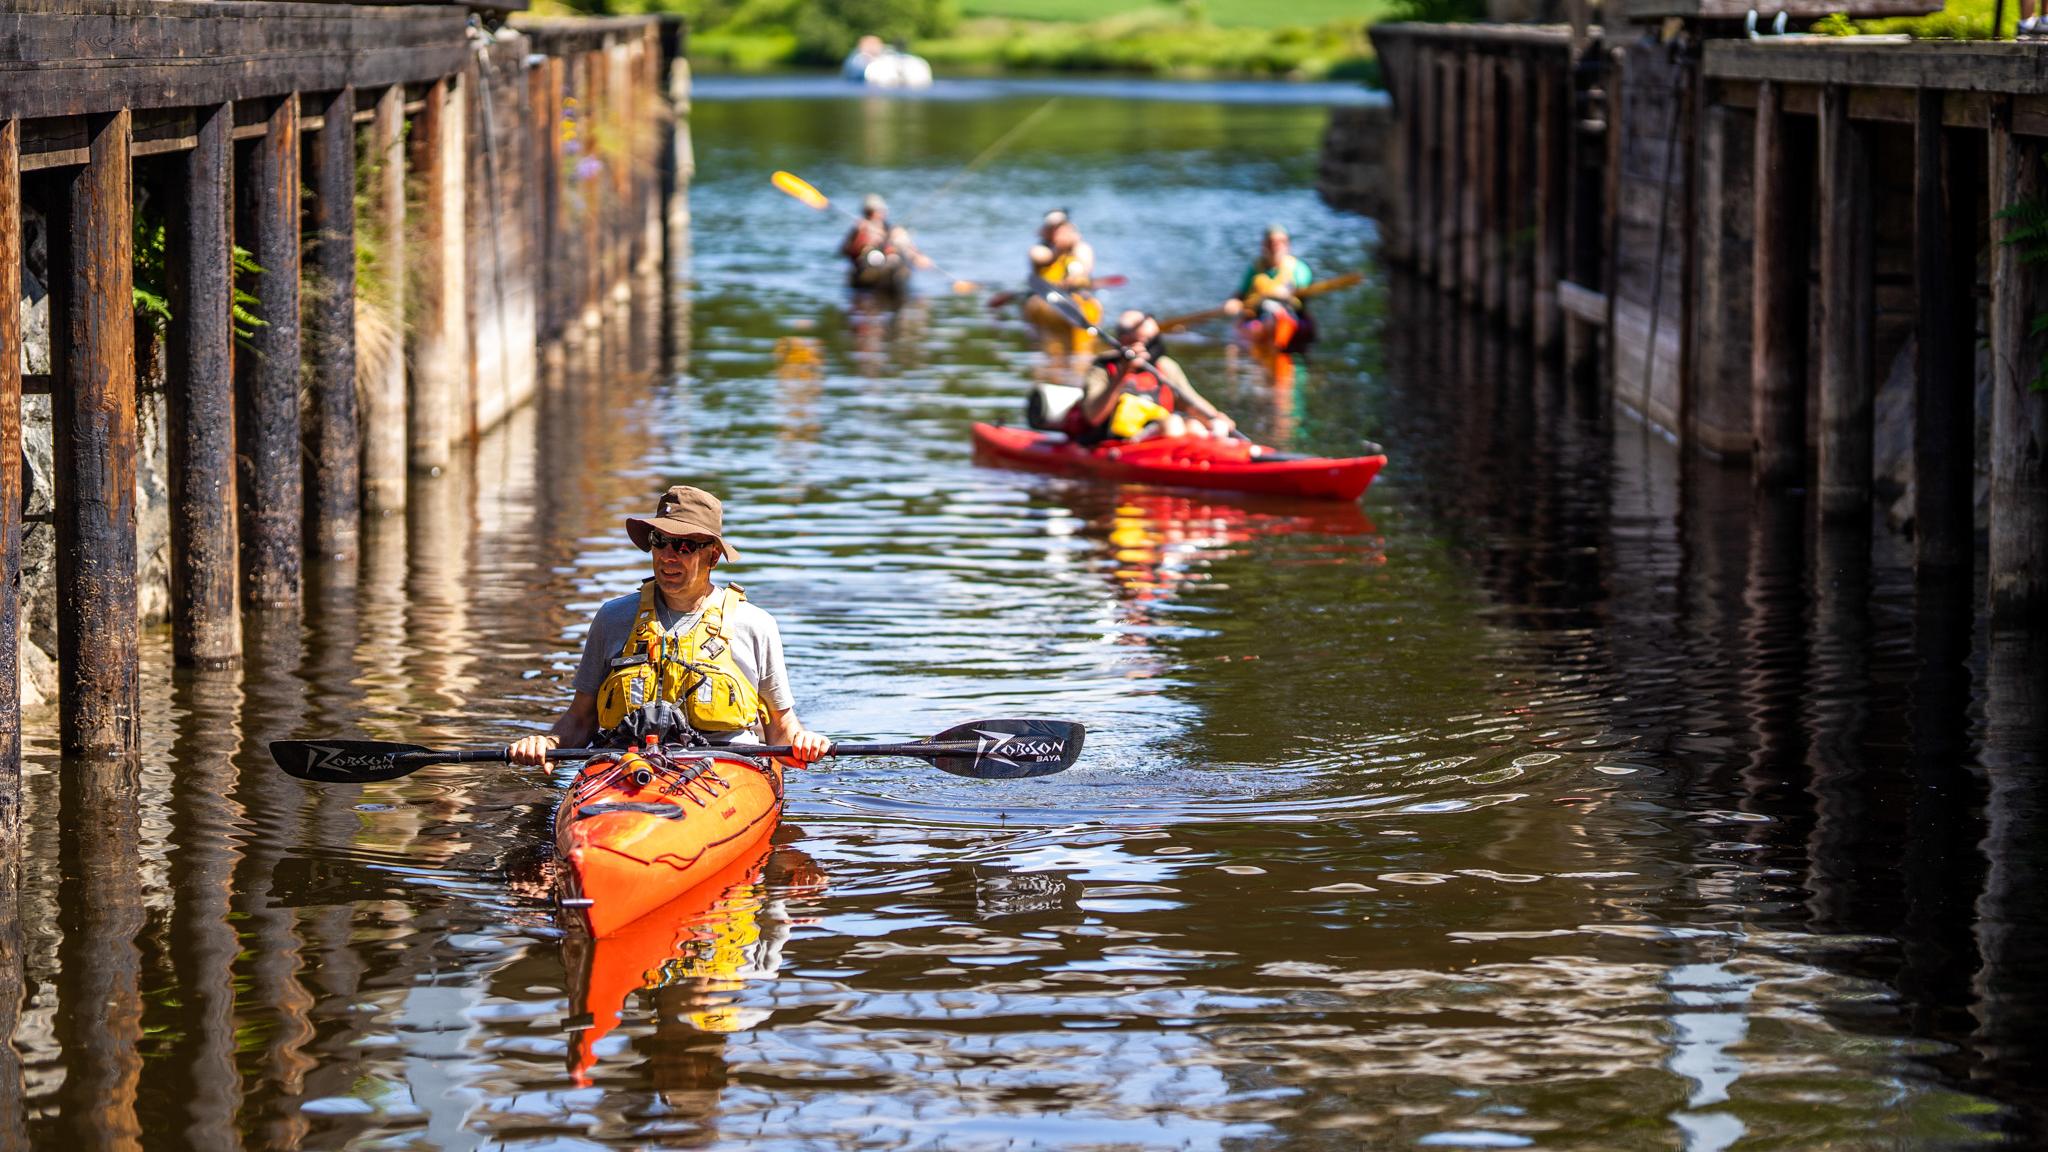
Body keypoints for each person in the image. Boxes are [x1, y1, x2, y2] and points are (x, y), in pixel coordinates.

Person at [509, 486, 831, 767]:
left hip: (726, 771)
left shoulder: (756, 626)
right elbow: (580, 720)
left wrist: (804, 742)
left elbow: (781, 729)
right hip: (626, 767)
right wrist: (548, 744)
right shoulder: (612, 619)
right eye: (660, 541)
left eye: (684, 546)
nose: (668, 556)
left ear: (713, 556)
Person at [1069, 311, 1234, 444]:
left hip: (1160, 439)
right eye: (1148, 341)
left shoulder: (1165, 367)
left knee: (1195, 426)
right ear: (1126, 341)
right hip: (1118, 442)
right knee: (1173, 423)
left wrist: (1216, 417)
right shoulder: (1103, 368)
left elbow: (1190, 402)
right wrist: (1122, 374)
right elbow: (1094, 417)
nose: (1155, 348)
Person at [1223, 225, 1315, 349]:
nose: (1275, 247)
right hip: (1260, 313)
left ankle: (1279, 339)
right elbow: (1241, 293)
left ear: (1287, 245)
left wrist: (1286, 292)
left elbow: (1302, 288)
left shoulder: (1299, 269)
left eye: (1280, 242)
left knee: (1279, 313)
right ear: (1264, 245)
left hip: (1288, 312)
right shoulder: (1255, 269)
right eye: (1271, 243)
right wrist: (1233, 301)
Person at [840, 194, 929, 290]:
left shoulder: (892, 230)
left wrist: (917, 255)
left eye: (880, 210)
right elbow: (845, 250)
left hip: (892, 266)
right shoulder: (859, 230)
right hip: (867, 270)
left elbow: (907, 247)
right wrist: (860, 235)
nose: (878, 214)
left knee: (899, 245)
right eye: (872, 211)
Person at [1028, 209, 1096, 292]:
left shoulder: (1080, 247)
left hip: (1073, 293)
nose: (1056, 231)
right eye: (1052, 228)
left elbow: (1086, 268)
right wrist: (1059, 249)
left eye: (1059, 227)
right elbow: (1041, 257)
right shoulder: (1039, 249)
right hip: (1045, 292)